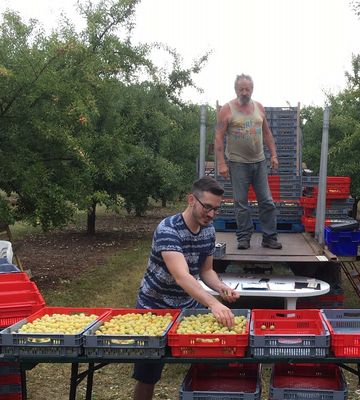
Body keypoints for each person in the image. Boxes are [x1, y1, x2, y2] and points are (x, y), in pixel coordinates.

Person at [132, 176, 240, 400]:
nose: (211, 214)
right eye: (207, 207)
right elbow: (182, 276)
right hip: (154, 308)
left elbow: (206, 271)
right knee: (148, 374)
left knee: (207, 365)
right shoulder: (168, 229)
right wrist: (212, 303)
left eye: (216, 209)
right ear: (191, 200)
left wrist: (221, 288)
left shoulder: (208, 231)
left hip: (186, 308)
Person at [214, 73, 282, 250]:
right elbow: (219, 137)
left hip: (259, 162)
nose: (244, 92)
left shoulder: (259, 107)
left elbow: (267, 133)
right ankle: (244, 237)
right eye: (241, 89)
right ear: (236, 90)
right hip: (237, 163)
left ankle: (269, 237)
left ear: (252, 89)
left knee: (267, 201)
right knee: (241, 202)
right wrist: (221, 163)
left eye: (247, 89)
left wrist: (273, 155)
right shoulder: (227, 110)